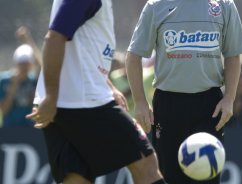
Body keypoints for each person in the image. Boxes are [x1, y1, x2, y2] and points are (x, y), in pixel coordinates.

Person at [26, 1, 167, 184]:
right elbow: (54, 38)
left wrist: (106, 84)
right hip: (85, 100)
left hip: (66, 101)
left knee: (76, 178)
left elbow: (81, 49)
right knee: (146, 163)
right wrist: (52, 96)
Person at [125, 0, 242, 183]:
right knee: (169, 177)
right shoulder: (155, 6)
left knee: (207, 178)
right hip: (168, 105)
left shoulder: (225, 5)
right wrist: (141, 102)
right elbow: (133, 56)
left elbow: (232, 55)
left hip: (210, 106)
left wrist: (229, 97)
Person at [0, 43, 37, 127]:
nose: (24, 67)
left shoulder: (33, 81)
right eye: (22, 63)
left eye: (27, 64)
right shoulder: (4, 80)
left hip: (29, 127)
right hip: (10, 127)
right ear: (16, 63)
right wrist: (14, 85)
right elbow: (3, 110)